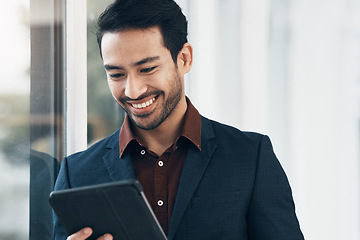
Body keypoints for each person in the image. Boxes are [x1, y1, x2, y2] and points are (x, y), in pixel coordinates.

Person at [53, 0, 304, 239]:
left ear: (184, 59)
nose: (133, 91)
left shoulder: (250, 157)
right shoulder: (76, 174)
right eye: (117, 74)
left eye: (147, 69)